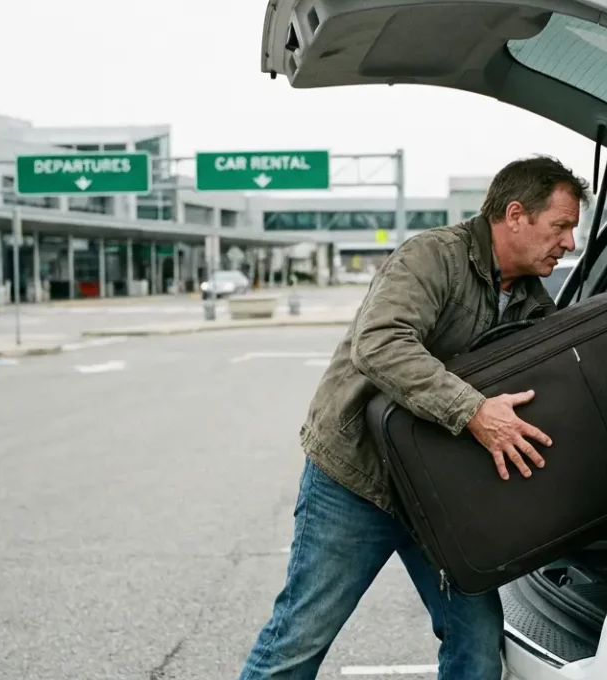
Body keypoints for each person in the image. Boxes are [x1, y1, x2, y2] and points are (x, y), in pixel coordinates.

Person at [236, 155, 588, 680]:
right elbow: (379, 343)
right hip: (359, 479)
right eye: (560, 226)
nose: (569, 244)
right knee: (298, 640)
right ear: (515, 215)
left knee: (476, 640)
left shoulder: (536, 306)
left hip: (442, 498)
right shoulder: (433, 257)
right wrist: (473, 411)